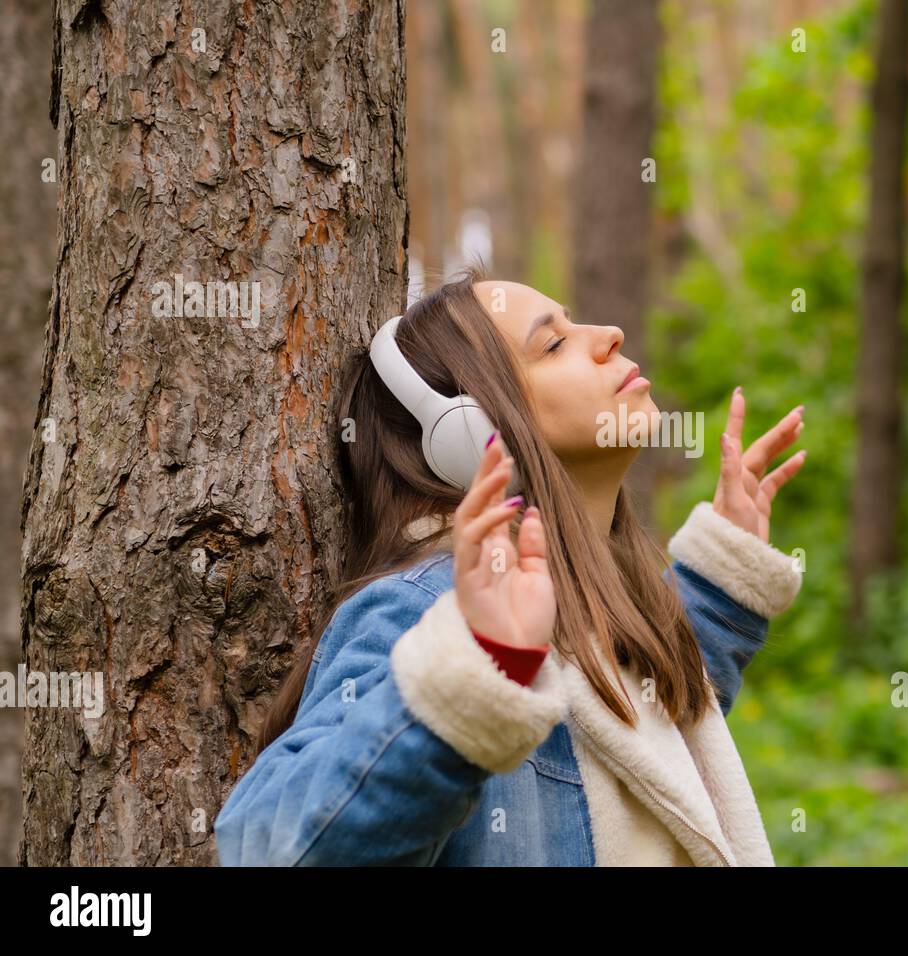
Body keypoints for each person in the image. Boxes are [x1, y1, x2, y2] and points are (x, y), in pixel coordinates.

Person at [214, 266, 808, 865]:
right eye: (553, 344)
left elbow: (644, 746)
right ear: (469, 434)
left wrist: (719, 586)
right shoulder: (432, 613)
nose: (610, 334)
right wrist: (477, 674)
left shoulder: (583, 601)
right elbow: (267, 847)